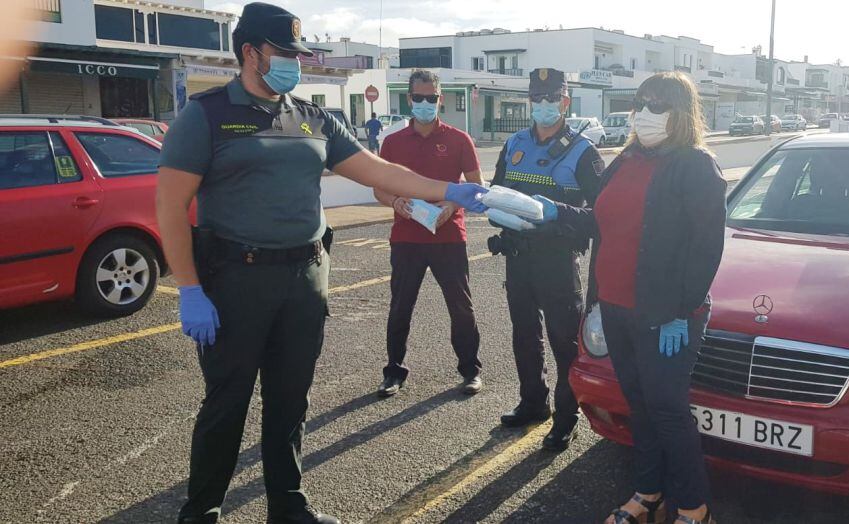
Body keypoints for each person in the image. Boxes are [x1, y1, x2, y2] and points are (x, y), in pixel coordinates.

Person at [155, 4, 487, 523]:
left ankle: (288, 507)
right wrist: (190, 289)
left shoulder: (312, 118)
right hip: (237, 280)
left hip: (305, 278)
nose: (294, 63)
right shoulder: (206, 116)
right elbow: (170, 209)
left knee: (291, 399)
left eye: (298, 54)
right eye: (284, 53)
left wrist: (452, 190)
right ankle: (202, 513)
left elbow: (379, 169)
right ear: (251, 53)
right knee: (228, 404)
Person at [529, 71, 726, 524]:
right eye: (640, 103)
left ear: (680, 113)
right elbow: (597, 220)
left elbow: (706, 248)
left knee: (668, 411)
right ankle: (648, 493)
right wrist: (552, 211)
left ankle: (695, 508)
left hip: (666, 316)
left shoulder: (695, 165)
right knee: (639, 407)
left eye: (658, 104)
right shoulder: (624, 160)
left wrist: (682, 309)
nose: (645, 113)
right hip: (616, 308)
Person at [488, 67, 604, 451]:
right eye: (537, 99)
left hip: (557, 261)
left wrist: (557, 220)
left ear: (565, 102)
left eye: (551, 99)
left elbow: (601, 218)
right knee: (525, 336)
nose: (543, 106)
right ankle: (533, 402)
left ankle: (565, 418)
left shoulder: (584, 153)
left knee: (564, 343)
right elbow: (497, 191)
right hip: (518, 258)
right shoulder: (515, 144)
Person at [372, 69, 484, 397]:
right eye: (418, 98)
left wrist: (451, 204)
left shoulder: (459, 139)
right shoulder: (392, 142)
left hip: (449, 237)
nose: (424, 103)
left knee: (461, 306)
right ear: (409, 99)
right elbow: (378, 189)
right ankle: (394, 372)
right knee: (400, 306)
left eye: (430, 98)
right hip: (407, 238)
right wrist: (395, 201)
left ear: (440, 99)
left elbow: (475, 186)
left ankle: (470, 370)